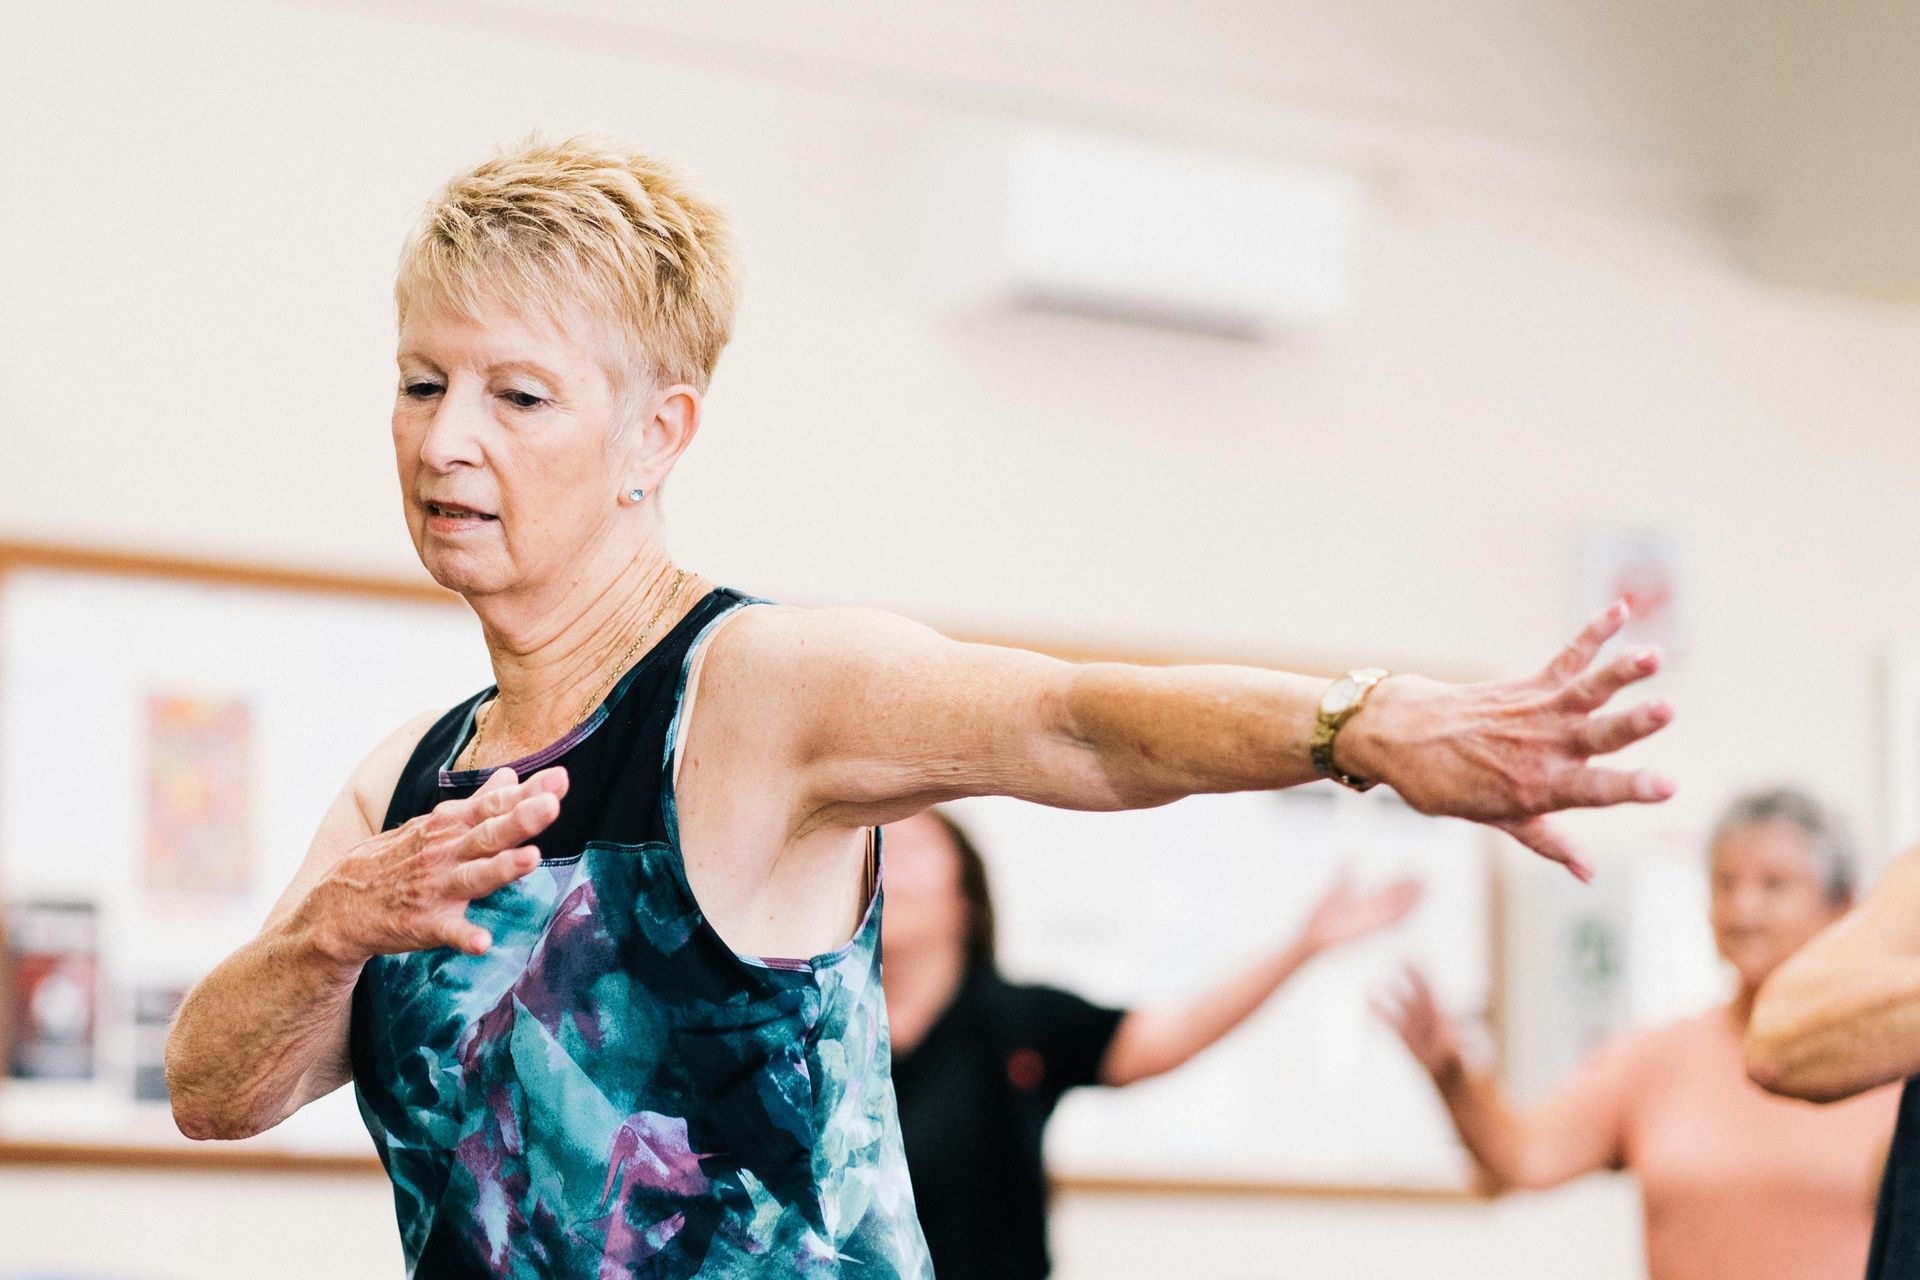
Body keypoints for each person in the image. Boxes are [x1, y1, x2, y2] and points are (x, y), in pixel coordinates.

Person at [161, 134, 1677, 1279]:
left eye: (518, 394)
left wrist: (1362, 728)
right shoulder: (402, 790)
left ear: (655, 433)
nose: (449, 443)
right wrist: (327, 930)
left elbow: (1077, 719)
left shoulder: (750, 693)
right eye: (422, 385)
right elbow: (218, 1095)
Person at [1379, 787, 1896, 1280]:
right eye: (1726, 883)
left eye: (1774, 885)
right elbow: (1527, 1157)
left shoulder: (1889, 1062)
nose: (1743, 911)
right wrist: (1453, 1077)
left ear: (1843, 903)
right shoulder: (1653, 1057)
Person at [883, 808, 1421, 1280]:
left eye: (910, 848)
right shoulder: (822, 1036)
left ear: (966, 899)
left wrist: (1301, 948)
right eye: (876, 852)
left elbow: (1172, 1033)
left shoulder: (1019, 1020)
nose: (888, 866)